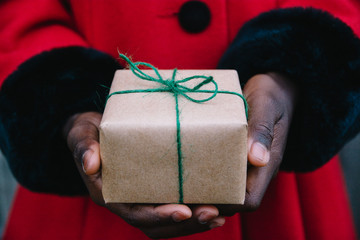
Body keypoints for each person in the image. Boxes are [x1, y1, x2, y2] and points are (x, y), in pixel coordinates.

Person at [0, 0, 360, 239]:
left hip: (281, 186)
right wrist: (64, 99)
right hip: (84, 194)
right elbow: (18, 12)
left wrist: (292, 72)